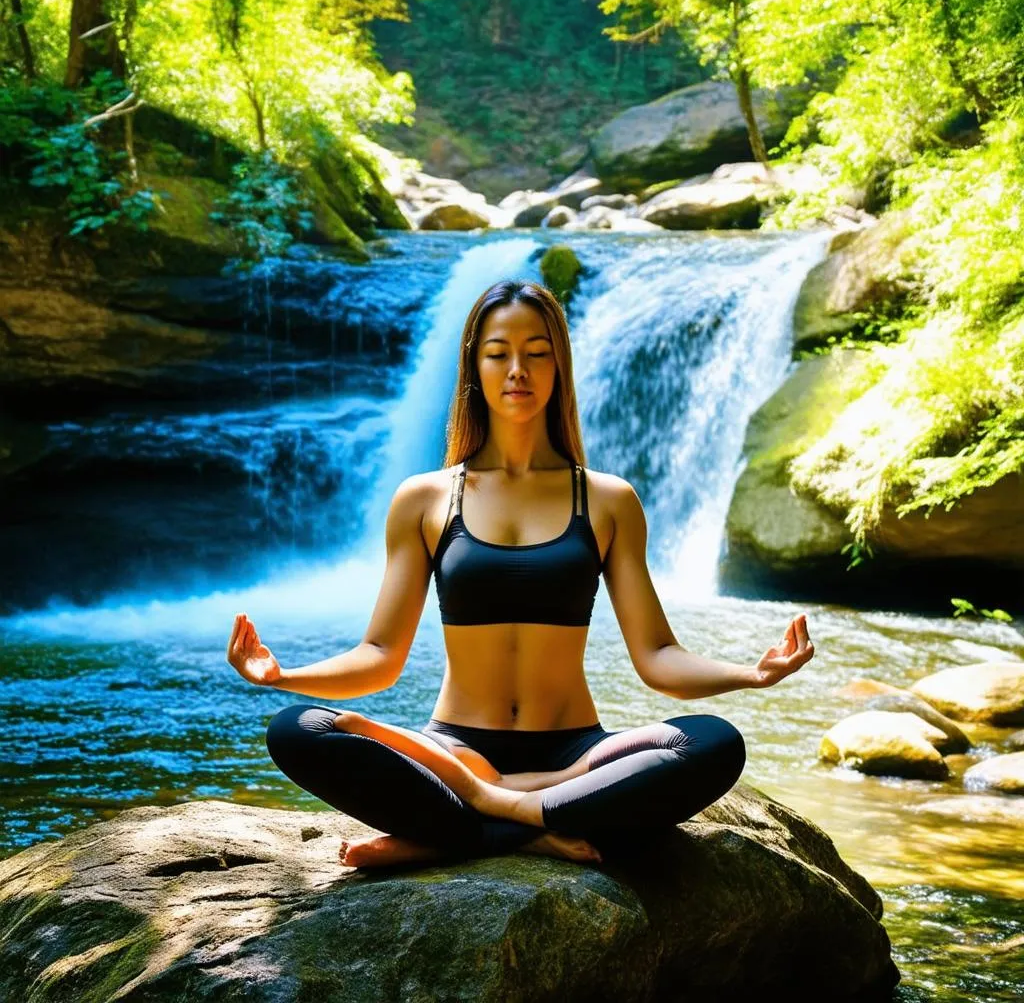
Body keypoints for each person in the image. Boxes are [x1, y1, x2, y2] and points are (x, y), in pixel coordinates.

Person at [226, 279, 815, 870]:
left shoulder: (608, 501)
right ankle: (529, 823)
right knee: (297, 729)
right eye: (498, 353)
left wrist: (750, 675)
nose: (517, 370)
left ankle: (475, 820)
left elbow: (658, 655)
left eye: (536, 353)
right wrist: (283, 676)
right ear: (472, 368)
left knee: (713, 743)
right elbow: (379, 654)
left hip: (580, 753)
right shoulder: (425, 500)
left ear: (558, 365)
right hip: (455, 747)